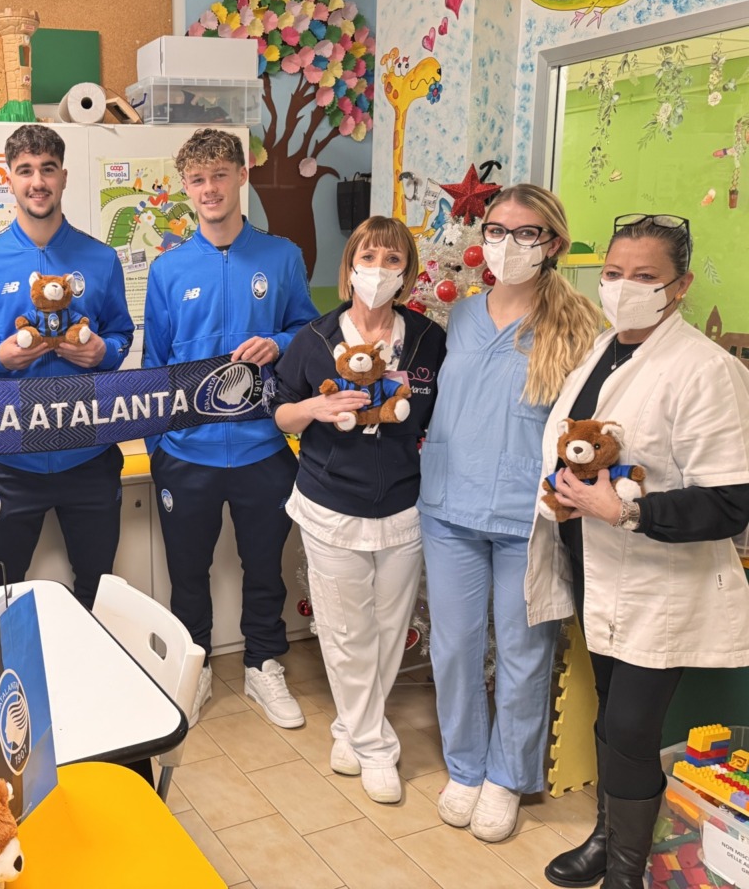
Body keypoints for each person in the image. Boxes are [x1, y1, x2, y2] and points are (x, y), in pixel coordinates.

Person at [527, 213, 749, 889]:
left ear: (678, 286)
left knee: (629, 727)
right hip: (598, 571)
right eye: (615, 273)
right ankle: (606, 839)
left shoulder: (705, 370)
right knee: (607, 719)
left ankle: (626, 871)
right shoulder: (604, 350)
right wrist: (563, 492)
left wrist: (627, 510)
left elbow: (733, 500)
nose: (624, 287)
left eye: (644, 277)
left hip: (661, 583)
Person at [417, 184, 600, 841]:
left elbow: (594, 426)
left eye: (524, 233)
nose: (506, 244)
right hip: (447, 507)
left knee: (524, 651)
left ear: (551, 242)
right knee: (455, 647)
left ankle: (507, 776)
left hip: (527, 516)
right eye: (496, 230)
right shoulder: (458, 318)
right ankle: (466, 767)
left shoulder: (578, 326)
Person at [143, 128, 319, 729]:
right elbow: (155, 366)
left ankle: (264, 665)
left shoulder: (282, 256)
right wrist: (158, 445)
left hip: (262, 447)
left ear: (241, 177)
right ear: (186, 189)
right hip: (185, 452)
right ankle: (191, 673)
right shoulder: (168, 270)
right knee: (186, 572)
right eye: (198, 179)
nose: (210, 188)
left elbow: (309, 333)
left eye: (220, 175)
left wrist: (278, 341)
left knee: (263, 566)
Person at [270, 216, 446, 802]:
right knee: (346, 630)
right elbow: (282, 413)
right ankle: (376, 747)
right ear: (348, 269)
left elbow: (437, 417)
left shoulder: (426, 339)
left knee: (390, 629)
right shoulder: (316, 339)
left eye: (392, 261)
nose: (378, 271)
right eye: (367, 258)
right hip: (331, 503)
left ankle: (351, 727)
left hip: (403, 505)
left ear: (408, 272)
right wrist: (315, 413)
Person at [0, 125, 134, 609]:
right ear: (9, 180)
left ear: (63, 177)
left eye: (48, 169)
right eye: (25, 170)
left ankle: (91, 677)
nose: (38, 181)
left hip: (89, 455)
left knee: (99, 588)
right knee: (0, 595)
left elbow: (121, 335)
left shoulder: (102, 258)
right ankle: (8, 681)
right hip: (10, 458)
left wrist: (102, 355)